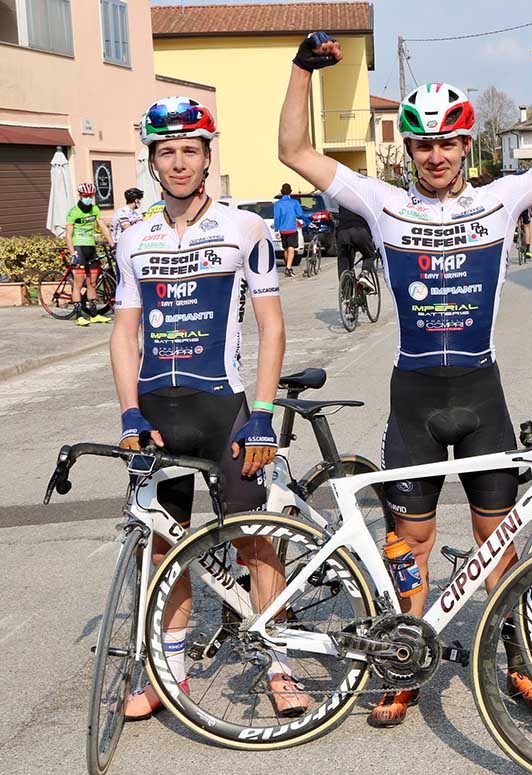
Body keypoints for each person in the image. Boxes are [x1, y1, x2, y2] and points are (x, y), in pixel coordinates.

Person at [278, 31, 532, 726]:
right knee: (413, 545)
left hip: (481, 397)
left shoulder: (502, 198)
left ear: (467, 146)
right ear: (410, 150)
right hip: (415, 401)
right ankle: (406, 662)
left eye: (448, 142)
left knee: (498, 544)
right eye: (423, 144)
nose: (435, 155)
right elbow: (296, 153)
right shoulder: (383, 204)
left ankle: (518, 656)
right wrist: (301, 70)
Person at [112, 96, 299, 719]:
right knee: (163, 546)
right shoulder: (133, 238)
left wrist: (265, 412)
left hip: (225, 409)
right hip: (157, 412)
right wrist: (128, 413)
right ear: (153, 161)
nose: (179, 162)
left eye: (190, 150)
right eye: (167, 152)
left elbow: (271, 328)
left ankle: (279, 662)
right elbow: (122, 334)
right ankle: (170, 674)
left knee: (256, 540)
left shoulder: (247, 229)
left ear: (207, 155)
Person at [65, 182, 114, 326]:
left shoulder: (95, 209)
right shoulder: (73, 212)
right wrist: (72, 251)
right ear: (80, 195)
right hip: (79, 247)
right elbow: (68, 235)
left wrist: (112, 244)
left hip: (91, 248)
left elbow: (103, 227)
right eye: (86, 196)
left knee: (92, 283)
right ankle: (79, 315)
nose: (88, 198)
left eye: (90, 196)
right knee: (78, 284)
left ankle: (94, 314)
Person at [332, 198, 377, 292]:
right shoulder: (366, 201)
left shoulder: (342, 200)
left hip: (343, 234)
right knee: (370, 254)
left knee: (343, 259)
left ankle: (345, 290)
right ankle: (364, 274)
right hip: (361, 232)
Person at [273, 183, 309, 277]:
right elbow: (300, 214)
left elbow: (277, 218)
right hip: (292, 228)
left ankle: (287, 266)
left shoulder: (278, 204)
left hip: (282, 229)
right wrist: (308, 222)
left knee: (285, 248)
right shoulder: (294, 203)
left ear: (281, 192)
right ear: (290, 192)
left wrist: (276, 230)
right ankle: (288, 268)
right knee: (291, 248)